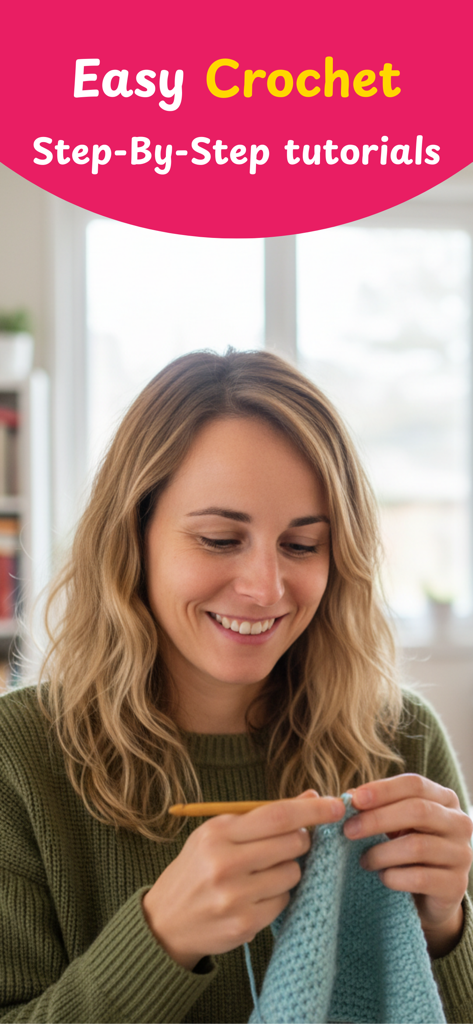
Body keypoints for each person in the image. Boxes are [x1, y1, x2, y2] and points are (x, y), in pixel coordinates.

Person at [0, 348, 472, 1024]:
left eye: (302, 545)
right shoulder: (17, 759)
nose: (265, 588)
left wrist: (444, 931)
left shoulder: (403, 741)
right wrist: (160, 940)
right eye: (220, 539)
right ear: (133, 537)